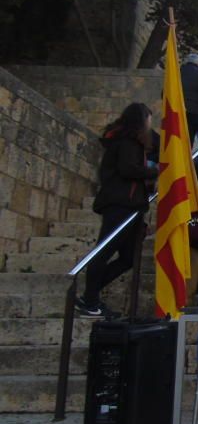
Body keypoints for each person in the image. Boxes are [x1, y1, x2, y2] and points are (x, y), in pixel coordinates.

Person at [77, 103, 158, 318]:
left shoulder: (129, 142)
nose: (151, 123)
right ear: (140, 120)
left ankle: (90, 293)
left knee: (129, 257)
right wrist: (156, 172)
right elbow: (128, 169)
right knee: (104, 250)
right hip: (121, 204)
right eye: (149, 119)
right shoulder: (127, 142)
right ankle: (90, 299)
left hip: (131, 205)